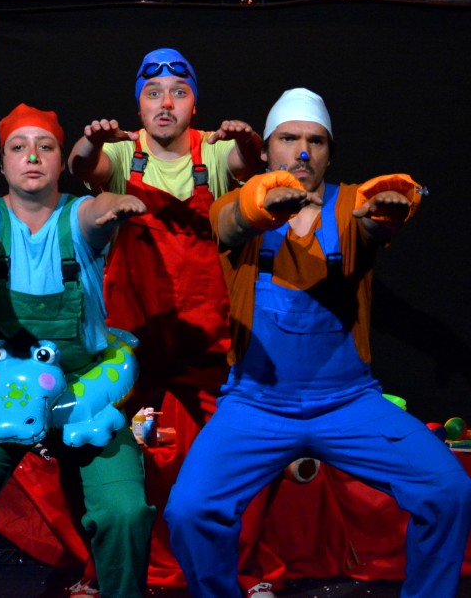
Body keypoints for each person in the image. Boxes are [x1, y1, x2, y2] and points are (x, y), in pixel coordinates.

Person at [163, 88, 471, 598]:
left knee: (449, 491)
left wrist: (389, 210)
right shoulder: (237, 203)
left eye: (316, 141)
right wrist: (263, 205)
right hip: (256, 405)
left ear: (329, 152)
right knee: (189, 510)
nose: (303, 152)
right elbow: (231, 222)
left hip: (348, 403)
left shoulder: (351, 204)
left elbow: (377, 219)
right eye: (289, 139)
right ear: (267, 149)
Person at [0, 103, 155, 598]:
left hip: (80, 389)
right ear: (2, 165)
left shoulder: (78, 216)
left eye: (45, 146)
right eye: (18, 147)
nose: (33, 156)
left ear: (61, 161)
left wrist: (114, 207)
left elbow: (96, 213)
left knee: (124, 511)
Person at [67, 48, 280, 596]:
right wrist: (90, 141)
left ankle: (246, 573)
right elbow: (82, 169)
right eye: (154, 93)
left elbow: (247, 169)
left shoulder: (215, 149)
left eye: (178, 93)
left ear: (194, 104)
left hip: (206, 334)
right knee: (100, 442)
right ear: (139, 105)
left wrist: (249, 142)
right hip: (132, 336)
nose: (166, 103)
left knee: (242, 445)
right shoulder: (122, 151)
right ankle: (100, 571)